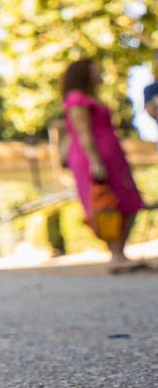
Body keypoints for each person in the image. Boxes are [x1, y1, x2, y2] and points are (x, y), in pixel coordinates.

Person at [59, 57, 148, 273]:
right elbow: (83, 132)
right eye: (94, 70)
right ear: (83, 74)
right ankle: (116, 254)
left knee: (128, 202)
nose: (99, 74)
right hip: (94, 157)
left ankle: (119, 253)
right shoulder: (77, 99)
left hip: (111, 156)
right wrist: (95, 160)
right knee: (105, 204)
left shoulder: (90, 98)